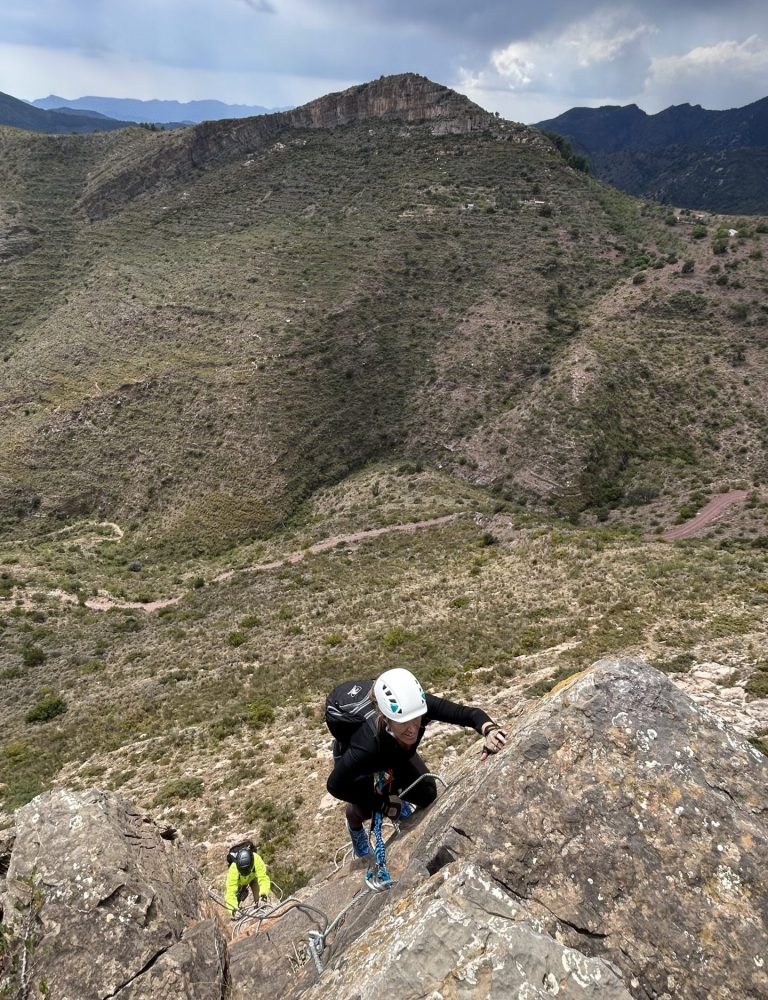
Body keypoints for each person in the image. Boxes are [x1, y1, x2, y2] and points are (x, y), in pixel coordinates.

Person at [326, 667, 507, 859]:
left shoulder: (416, 706)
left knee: (427, 794)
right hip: (364, 759)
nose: (412, 729)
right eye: (404, 722)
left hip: (393, 750)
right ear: (385, 716)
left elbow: (467, 714)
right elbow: (335, 785)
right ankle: (353, 824)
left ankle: (393, 791)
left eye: (416, 720)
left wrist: (490, 730)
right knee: (364, 809)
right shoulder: (366, 744)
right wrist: (382, 804)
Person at [224, 842, 271, 920]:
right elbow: (230, 892)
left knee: (261, 902)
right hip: (240, 883)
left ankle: (261, 910)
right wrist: (233, 910)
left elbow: (263, 879)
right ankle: (237, 914)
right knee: (235, 907)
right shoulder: (233, 869)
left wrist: (263, 895)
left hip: (253, 878)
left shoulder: (256, 859)